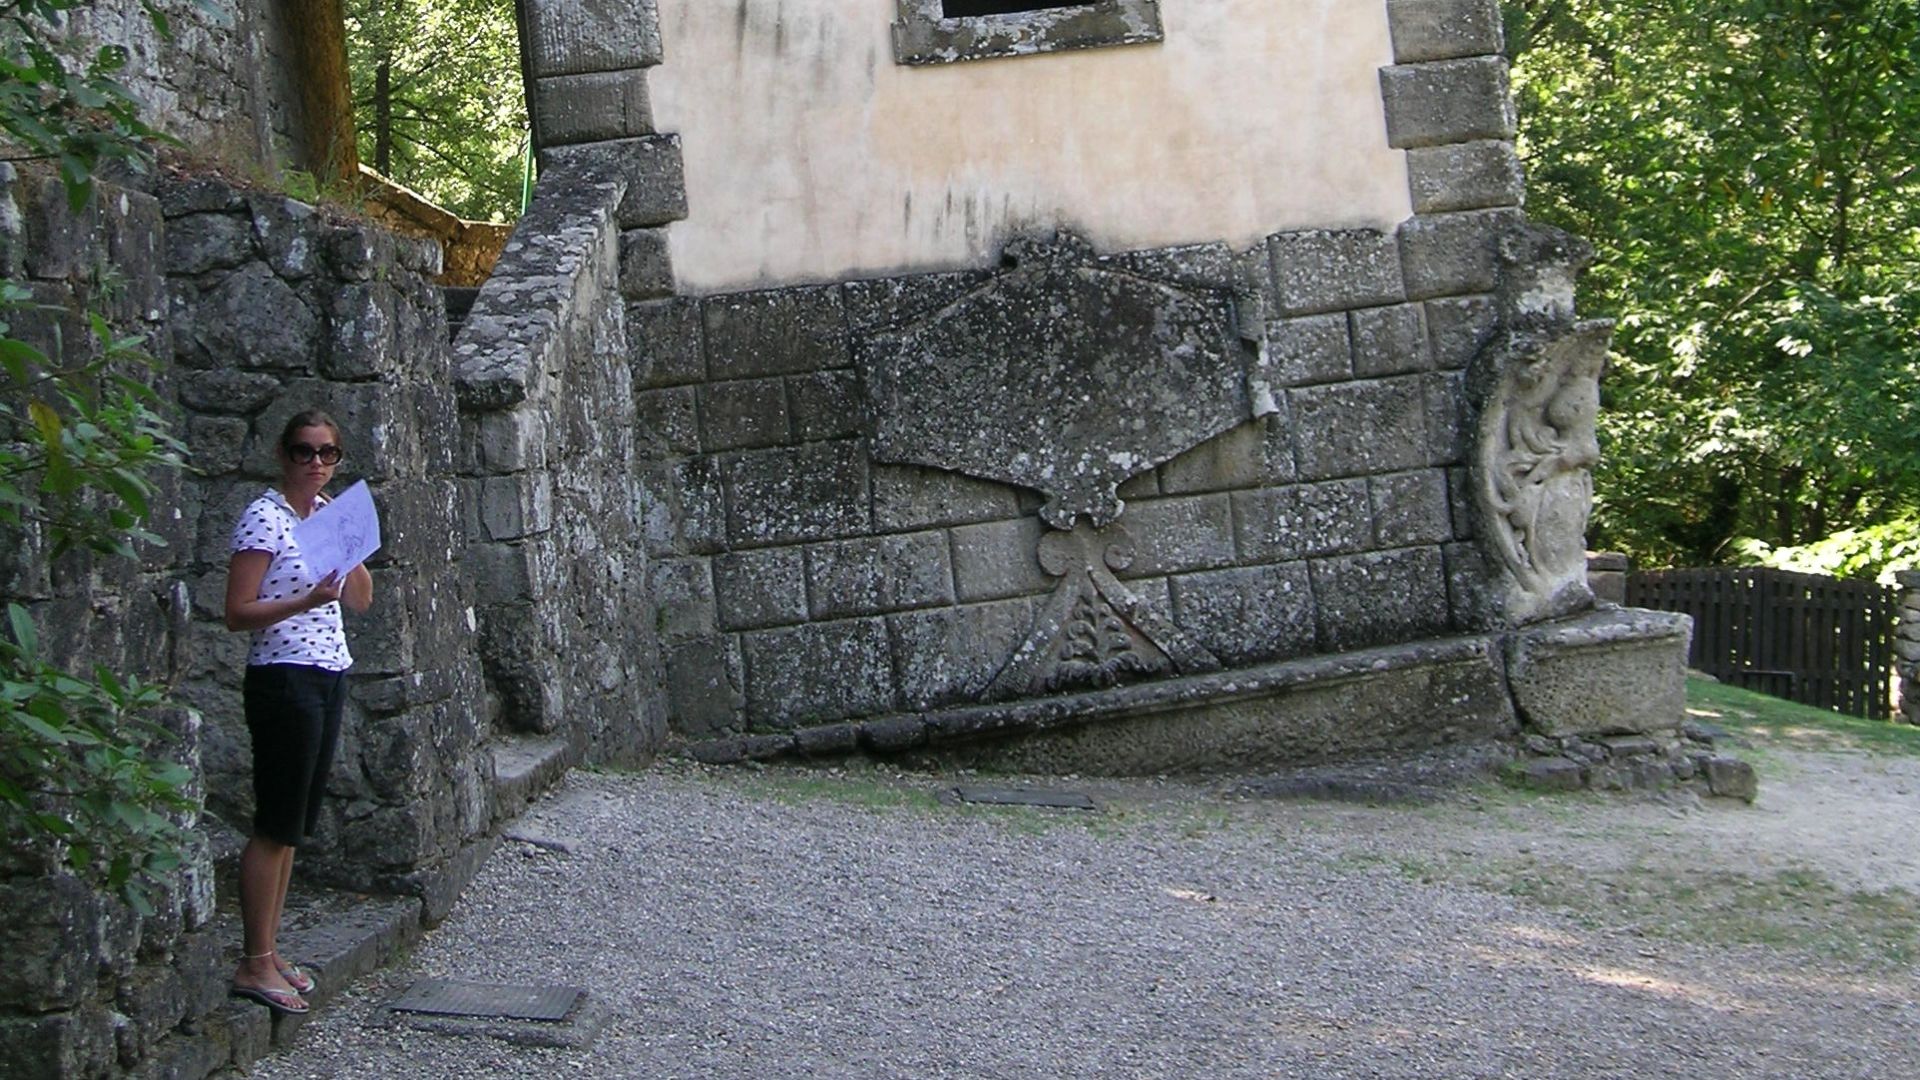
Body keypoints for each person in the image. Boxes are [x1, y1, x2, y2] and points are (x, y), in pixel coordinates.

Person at [223, 410, 373, 1015]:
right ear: (283, 455)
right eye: (304, 451)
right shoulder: (265, 517)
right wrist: (304, 600)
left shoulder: (325, 515)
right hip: (283, 675)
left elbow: (360, 600)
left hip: (327, 672)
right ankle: (253, 961)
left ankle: (270, 949)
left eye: (327, 453)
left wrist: (348, 542)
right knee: (275, 821)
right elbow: (236, 612)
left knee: (294, 825)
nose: (316, 463)